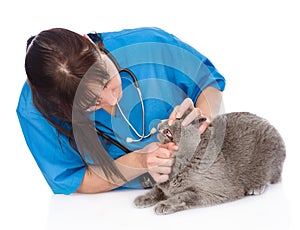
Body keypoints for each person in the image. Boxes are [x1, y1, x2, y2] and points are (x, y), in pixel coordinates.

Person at [17, 27, 225, 195]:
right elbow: (76, 179)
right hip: (117, 213)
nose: (112, 98)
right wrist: (140, 161)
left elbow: (208, 83)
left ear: (89, 43)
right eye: (92, 102)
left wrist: (203, 120)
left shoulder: (149, 44)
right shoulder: (35, 112)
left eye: (107, 80)